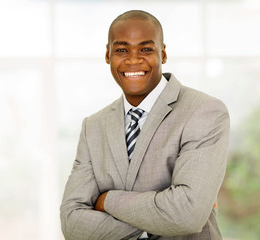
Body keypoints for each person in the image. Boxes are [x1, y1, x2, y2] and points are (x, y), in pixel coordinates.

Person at [60, 10, 230, 240]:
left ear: (163, 53)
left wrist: (107, 200)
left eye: (146, 49)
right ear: (108, 55)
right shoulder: (94, 127)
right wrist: (157, 221)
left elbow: (188, 214)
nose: (133, 59)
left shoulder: (204, 111)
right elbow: (72, 222)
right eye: (121, 50)